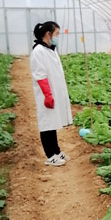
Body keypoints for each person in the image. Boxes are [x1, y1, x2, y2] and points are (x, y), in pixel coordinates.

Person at [30, 21, 73, 166]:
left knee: (52, 122)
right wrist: (48, 95)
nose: (57, 37)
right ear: (48, 34)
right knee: (47, 123)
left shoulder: (50, 49)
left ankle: (56, 151)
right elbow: (40, 75)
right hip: (46, 93)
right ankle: (50, 155)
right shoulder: (38, 52)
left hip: (53, 91)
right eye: (56, 34)